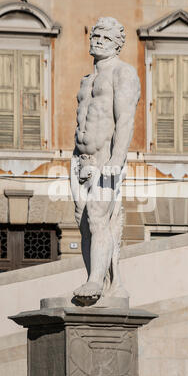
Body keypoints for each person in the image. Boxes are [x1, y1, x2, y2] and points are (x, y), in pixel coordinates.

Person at [70, 17, 140, 301]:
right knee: (84, 223)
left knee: (98, 217)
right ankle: (107, 280)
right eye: (95, 35)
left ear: (117, 44)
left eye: (106, 38)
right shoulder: (86, 80)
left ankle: (95, 282)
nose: (98, 40)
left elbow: (125, 119)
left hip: (105, 158)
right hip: (79, 159)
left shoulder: (122, 73)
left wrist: (117, 159)